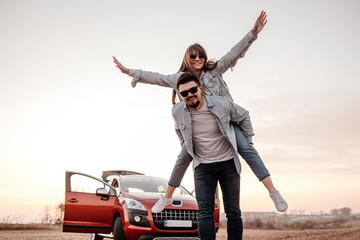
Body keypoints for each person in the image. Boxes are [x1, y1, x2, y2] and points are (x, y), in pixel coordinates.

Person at [113, 10, 288, 212]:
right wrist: (130, 72)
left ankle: (273, 191)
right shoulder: (180, 78)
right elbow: (157, 77)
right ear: (188, 58)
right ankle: (167, 196)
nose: (198, 58)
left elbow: (234, 52)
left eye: (201, 55)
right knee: (182, 158)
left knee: (248, 150)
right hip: (198, 128)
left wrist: (253, 32)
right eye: (194, 56)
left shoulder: (215, 70)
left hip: (225, 122)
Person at [173, 72, 250, 239]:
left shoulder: (221, 104)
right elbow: (178, 129)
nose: (189, 95)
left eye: (193, 90)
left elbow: (244, 115)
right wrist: (184, 145)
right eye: (184, 93)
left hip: (228, 163)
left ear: (200, 88)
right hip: (203, 167)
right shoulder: (177, 111)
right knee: (205, 213)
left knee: (233, 211)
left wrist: (248, 142)